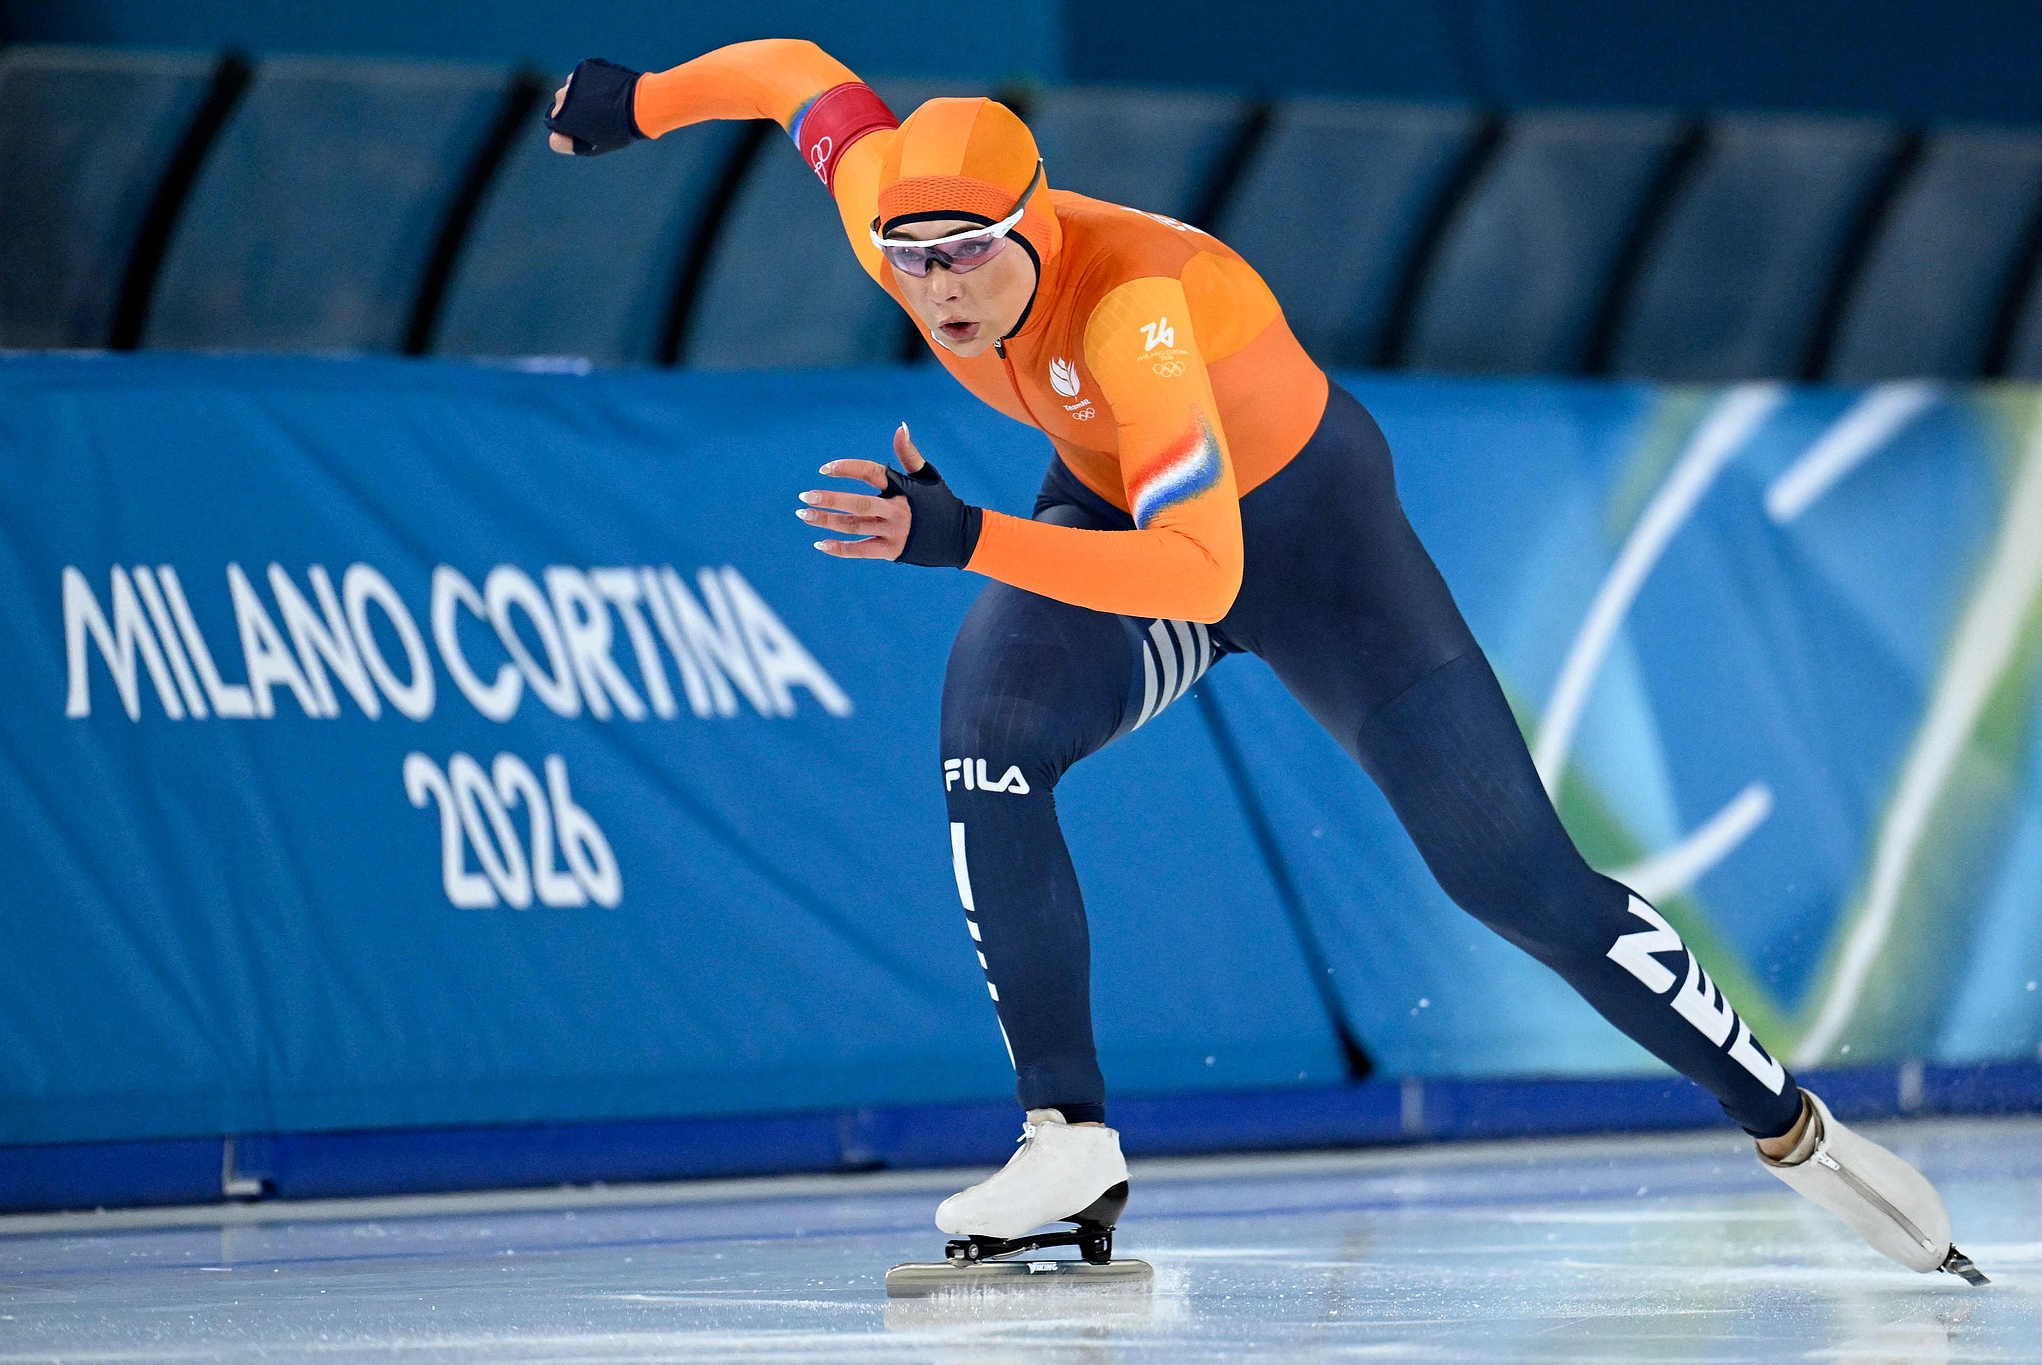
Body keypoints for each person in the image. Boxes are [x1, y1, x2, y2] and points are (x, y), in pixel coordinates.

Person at [543, 41, 1982, 1283]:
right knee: (986, 733)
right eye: (914, 261)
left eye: (973, 252)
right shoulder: (894, 215)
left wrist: (967, 534)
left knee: (1517, 883)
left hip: (1309, 549)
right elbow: (799, 77)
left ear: (1037, 225)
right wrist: (645, 102)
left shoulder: (1134, 311)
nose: (942, 290)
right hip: (1124, 506)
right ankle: (1067, 1138)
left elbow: (1206, 575)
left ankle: (1792, 1125)